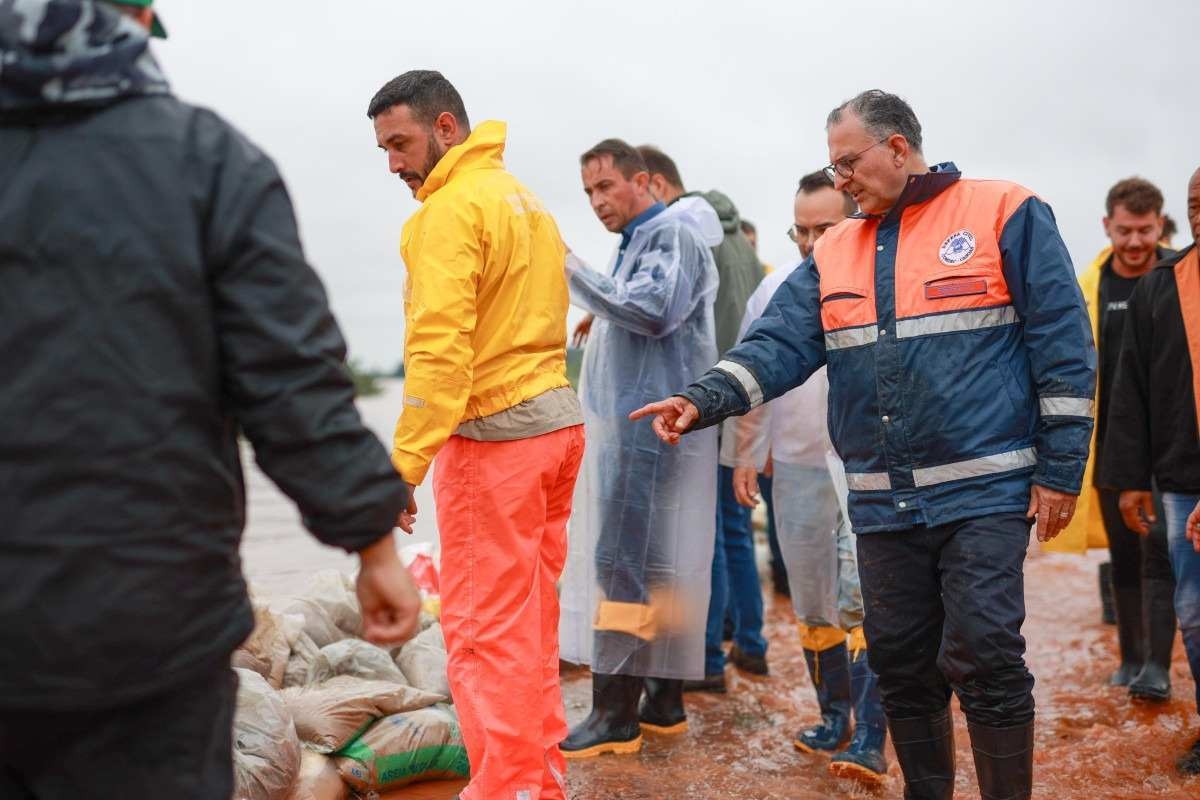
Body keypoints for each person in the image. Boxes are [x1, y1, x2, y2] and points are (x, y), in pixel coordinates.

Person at [0, 4, 421, 798]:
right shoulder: (205, 162)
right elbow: (291, 379)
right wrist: (372, 545)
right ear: (137, 19)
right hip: (145, 640)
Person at [632, 90, 1095, 800]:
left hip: (986, 490)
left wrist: (1062, 470)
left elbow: (1063, 344)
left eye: (849, 162)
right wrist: (701, 399)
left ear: (899, 149)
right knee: (903, 662)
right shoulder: (836, 249)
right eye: (833, 165)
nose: (840, 178)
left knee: (986, 654)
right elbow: (777, 344)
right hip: (882, 500)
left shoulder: (1006, 210)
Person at [369, 70, 585, 800]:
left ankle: (506, 789)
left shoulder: (447, 213)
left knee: (481, 634)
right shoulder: (524, 201)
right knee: (529, 621)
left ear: (446, 129)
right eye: (384, 149)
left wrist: (403, 465)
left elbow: (438, 352)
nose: (393, 162)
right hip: (555, 426)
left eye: (400, 143)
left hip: (493, 441)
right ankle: (540, 779)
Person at [724, 170, 888, 784]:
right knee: (814, 598)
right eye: (803, 228)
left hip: (866, 463)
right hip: (795, 466)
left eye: (826, 227)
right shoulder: (772, 291)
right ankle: (833, 716)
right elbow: (753, 374)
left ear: (854, 219)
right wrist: (746, 453)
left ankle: (872, 735)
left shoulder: (880, 276)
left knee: (864, 596)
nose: (811, 240)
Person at [558, 139, 719, 758]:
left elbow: (652, 313)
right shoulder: (636, 244)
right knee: (658, 562)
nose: (598, 202)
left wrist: (569, 268)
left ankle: (613, 712)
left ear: (645, 181)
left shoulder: (669, 235)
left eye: (606, 187)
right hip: (645, 431)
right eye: (588, 193)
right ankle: (665, 697)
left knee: (619, 561)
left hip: (648, 432)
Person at [636, 144, 768, 687]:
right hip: (744, 390)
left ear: (658, 186)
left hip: (706, 396)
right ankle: (752, 645)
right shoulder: (737, 240)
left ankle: (708, 658)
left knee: (702, 532)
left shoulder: (685, 231)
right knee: (733, 531)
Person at [1052, 178, 1176, 699]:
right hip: (1112, 439)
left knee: (1166, 552)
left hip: (1174, 440)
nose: (1134, 242)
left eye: (1145, 230)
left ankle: (1161, 666)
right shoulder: (1089, 285)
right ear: (1107, 226)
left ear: (1161, 225)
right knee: (1126, 553)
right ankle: (1130, 659)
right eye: (1124, 230)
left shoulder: (1179, 274)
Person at [1099, 166, 1200, 775]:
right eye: (1195, 202)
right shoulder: (1161, 285)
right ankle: (1150, 665)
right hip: (1178, 476)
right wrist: (1131, 475)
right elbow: (1129, 387)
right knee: (1192, 607)